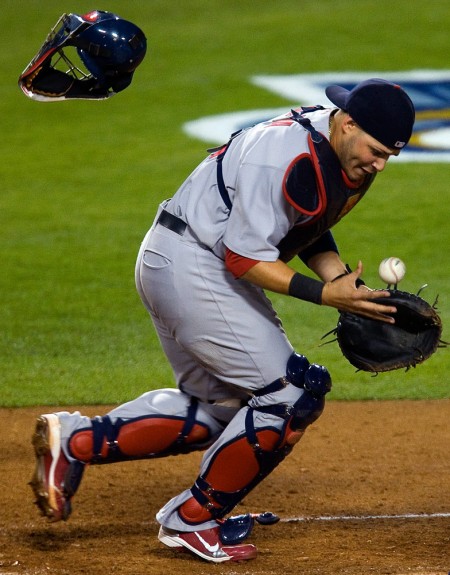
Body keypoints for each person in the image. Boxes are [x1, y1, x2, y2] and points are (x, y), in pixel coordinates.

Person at [30, 78, 415, 563]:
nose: (380, 164)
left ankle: (76, 441)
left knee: (227, 409)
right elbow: (242, 258)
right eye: (377, 151)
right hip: (196, 264)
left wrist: (345, 286)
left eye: (389, 157)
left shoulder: (343, 151)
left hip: (184, 257)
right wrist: (323, 293)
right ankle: (193, 520)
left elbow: (308, 224)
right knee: (292, 394)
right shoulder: (284, 157)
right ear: (348, 122)